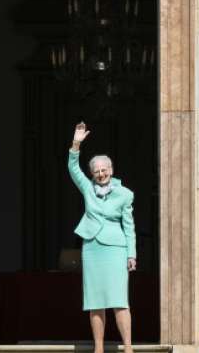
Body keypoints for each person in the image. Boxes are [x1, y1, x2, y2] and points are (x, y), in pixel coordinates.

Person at [68, 122, 136, 353]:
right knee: (95, 301)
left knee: (119, 300)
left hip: (116, 249)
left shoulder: (125, 195)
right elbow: (73, 169)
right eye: (96, 171)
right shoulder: (88, 189)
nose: (100, 173)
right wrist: (76, 143)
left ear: (111, 169)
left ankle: (128, 347)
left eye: (104, 169)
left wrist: (131, 255)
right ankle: (98, 348)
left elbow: (130, 227)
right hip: (92, 248)